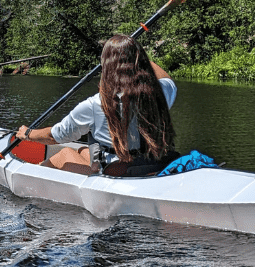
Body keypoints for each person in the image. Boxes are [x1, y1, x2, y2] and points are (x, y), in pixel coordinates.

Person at [15, 34, 177, 176]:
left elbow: (54, 136)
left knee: (63, 154)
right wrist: (134, 54)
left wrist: (28, 133)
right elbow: (165, 78)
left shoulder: (97, 104)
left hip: (119, 174)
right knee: (84, 151)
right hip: (152, 164)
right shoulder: (159, 94)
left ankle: (32, 181)